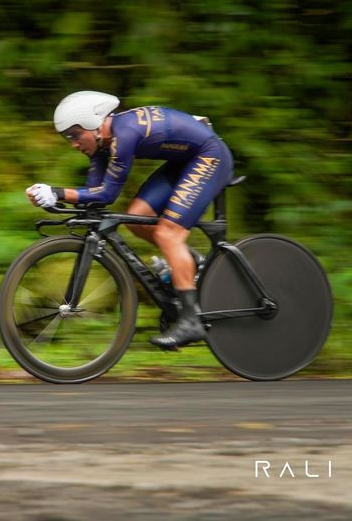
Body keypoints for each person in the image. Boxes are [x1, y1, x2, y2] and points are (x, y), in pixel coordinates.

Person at [25, 91, 234, 350]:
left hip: (210, 156)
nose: (73, 143)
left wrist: (57, 192)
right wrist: (53, 199)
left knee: (168, 234)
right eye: (67, 137)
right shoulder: (102, 145)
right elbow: (95, 199)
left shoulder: (125, 134)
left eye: (75, 135)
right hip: (185, 161)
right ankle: (190, 263)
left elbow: (108, 193)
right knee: (136, 219)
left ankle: (191, 321)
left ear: (94, 125)